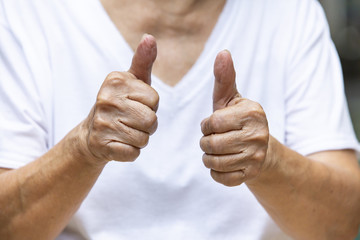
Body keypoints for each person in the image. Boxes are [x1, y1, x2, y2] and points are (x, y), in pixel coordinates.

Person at [0, 0, 359, 239]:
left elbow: (343, 220)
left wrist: (269, 162)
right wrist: (82, 149)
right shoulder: (28, 12)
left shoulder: (290, 12)